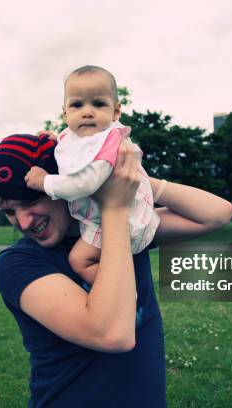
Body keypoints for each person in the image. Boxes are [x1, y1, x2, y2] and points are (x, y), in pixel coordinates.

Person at [0, 133, 232, 407]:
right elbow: (113, 334)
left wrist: (119, 180)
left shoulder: (126, 230)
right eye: (9, 212)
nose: (23, 221)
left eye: (31, 201)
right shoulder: (17, 263)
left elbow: (216, 214)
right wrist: (114, 205)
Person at [24, 65, 158, 285]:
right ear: (65, 113)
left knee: (79, 260)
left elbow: (85, 183)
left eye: (98, 103)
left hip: (119, 218)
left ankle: (123, 293)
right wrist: (55, 140)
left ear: (116, 111)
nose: (87, 111)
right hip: (102, 215)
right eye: (77, 104)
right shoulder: (75, 136)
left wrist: (44, 182)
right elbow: (77, 153)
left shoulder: (109, 143)